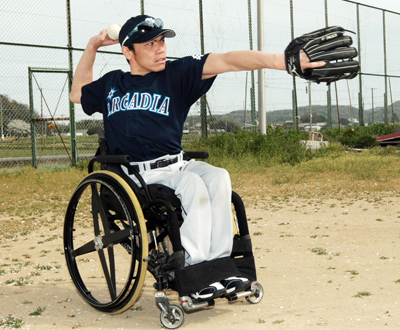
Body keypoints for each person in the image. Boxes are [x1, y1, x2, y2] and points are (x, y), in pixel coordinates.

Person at [69, 15, 325, 300]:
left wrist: (285, 61)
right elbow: (77, 93)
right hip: (135, 175)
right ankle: (193, 269)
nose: (160, 48)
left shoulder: (176, 74)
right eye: (149, 43)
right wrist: (93, 45)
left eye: (162, 40)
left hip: (175, 164)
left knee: (218, 176)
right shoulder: (112, 84)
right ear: (127, 51)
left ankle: (220, 268)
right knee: (191, 184)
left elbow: (228, 60)